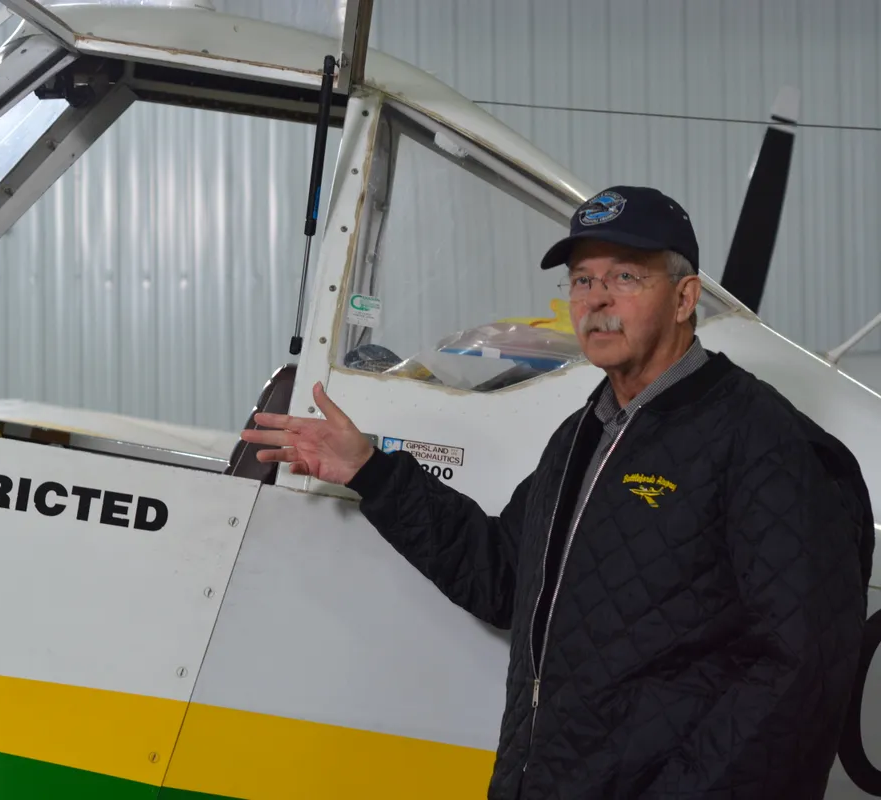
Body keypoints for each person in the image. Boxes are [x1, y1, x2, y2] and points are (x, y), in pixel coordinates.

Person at [240, 185, 875, 799]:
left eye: (625, 277)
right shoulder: (583, 434)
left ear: (684, 299)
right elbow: (505, 578)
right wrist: (371, 473)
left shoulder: (768, 443)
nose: (597, 301)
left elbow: (799, 675)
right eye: (582, 280)